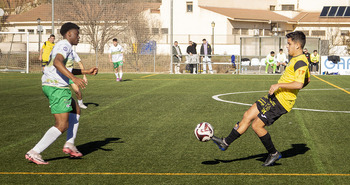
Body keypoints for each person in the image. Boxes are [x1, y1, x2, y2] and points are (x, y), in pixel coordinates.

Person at [211, 31, 310, 166]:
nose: (287, 46)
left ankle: (273, 153)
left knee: (257, 125)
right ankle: (225, 143)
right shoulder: (297, 60)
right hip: (274, 96)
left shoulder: (300, 62)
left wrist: (279, 86)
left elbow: (299, 84)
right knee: (248, 115)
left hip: (281, 102)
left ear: (298, 45)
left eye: (289, 44)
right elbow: (307, 80)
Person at [25, 22, 98, 165]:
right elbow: (58, 63)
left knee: (76, 109)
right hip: (56, 87)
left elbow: (65, 67)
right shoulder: (64, 45)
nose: (79, 37)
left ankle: (70, 144)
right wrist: (74, 79)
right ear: (69, 34)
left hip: (53, 85)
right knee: (62, 125)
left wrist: (85, 71)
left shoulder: (66, 47)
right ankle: (34, 152)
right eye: (77, 34)